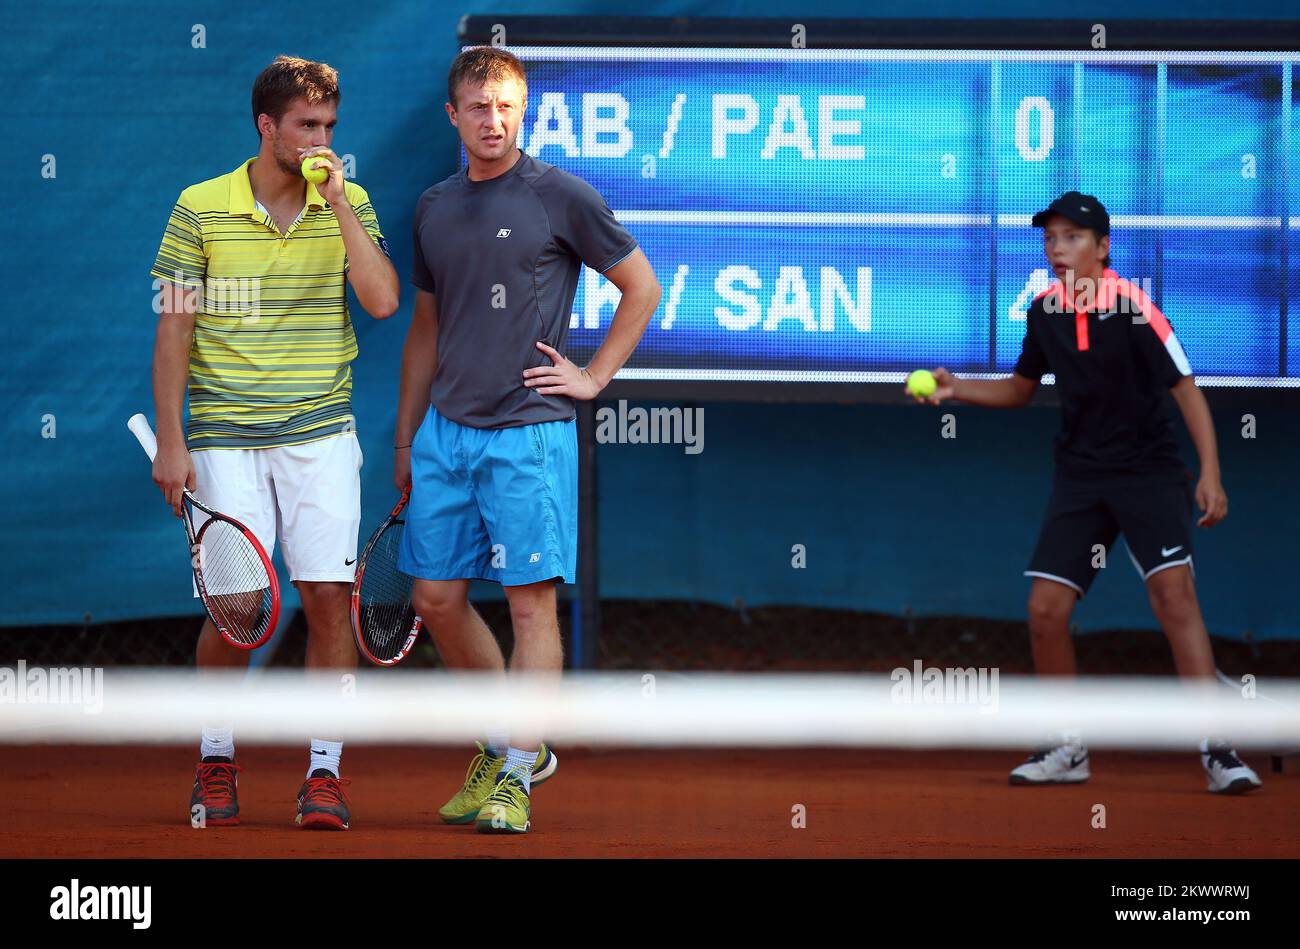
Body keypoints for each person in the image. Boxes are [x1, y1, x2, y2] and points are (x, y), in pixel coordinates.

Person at [910, 191, 1261, 794]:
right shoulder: (1043, 312)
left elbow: (1186, 391)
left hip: (1149, 471)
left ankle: (1217, 747)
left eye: (1072, 238)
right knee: (1046, 610)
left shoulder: (1135, 309)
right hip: (1081, 476)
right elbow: (1020, 391)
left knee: (1174, 599)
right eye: (1050, 239)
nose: (1057, 249)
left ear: (1102, 249)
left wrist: (1211, 472)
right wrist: (956, 390)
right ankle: (1068, 747)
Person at [395, 46, 661, 833]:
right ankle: (509, 738)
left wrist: (594, 377)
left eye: (507, 105)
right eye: (478, 106)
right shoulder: (433, 206)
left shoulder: (561, 196)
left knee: (529, 607)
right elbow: (424, 329)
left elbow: (642, 287)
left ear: (525, 110)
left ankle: (517, 765)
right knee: (435, 599)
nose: (493, 119)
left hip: (529, 437)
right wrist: (408, 439)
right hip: (445, 434)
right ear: (454, 114)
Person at [149, 55, 399, 830]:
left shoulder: (347, 200)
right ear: (267, 126)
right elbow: (174, 330)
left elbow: (384, 301)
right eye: (306, 126)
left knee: (328, 597)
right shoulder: (199, 206)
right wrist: (170, 438)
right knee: (239, 608)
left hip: (322, 434)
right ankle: (217, 759)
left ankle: (324, 774)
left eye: (330, 126)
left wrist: (341, 207)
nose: (322, 138)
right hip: (222, 434)